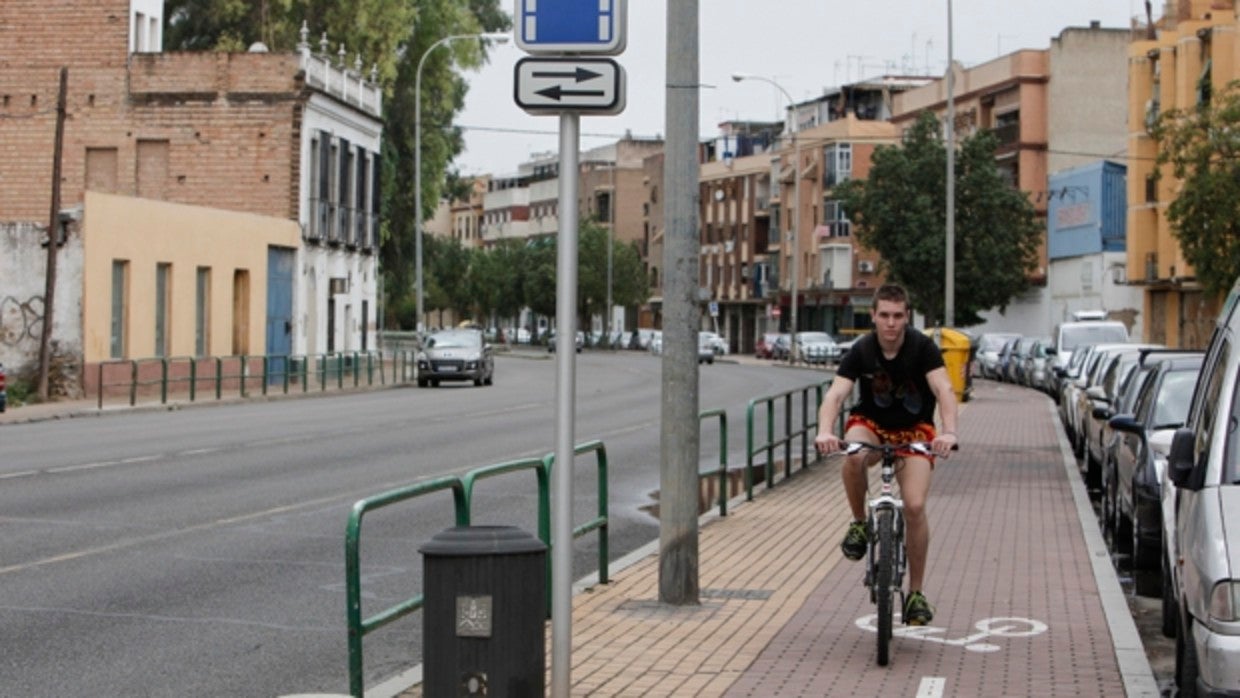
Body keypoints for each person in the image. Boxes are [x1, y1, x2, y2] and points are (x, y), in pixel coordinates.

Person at [814, 284, 959, 626]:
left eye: (898, 316)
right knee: (853, 453)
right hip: (872, 425)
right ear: (874, 317)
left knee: (914, 506)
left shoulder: (922, 348)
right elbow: (835, 395)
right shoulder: (862, 350)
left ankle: (916, 594)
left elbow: (944, 389)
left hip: (915, 432)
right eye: (884, 316)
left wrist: (949, 431)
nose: (891, 324)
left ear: (907, 317)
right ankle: (860, 525)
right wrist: (825, 430)